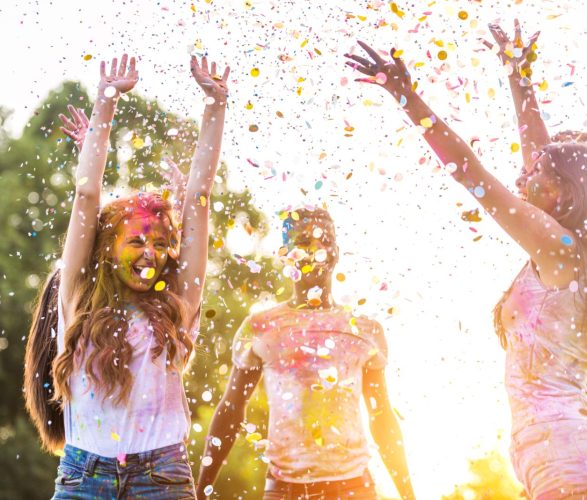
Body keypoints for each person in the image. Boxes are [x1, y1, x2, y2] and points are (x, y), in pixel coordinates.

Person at [345, 22, 587, 499]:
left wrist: (406, 97)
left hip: (564, 450)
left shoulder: (560, 251)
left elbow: (469, 172)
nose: (524, 175)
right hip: (550, 446)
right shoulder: (562, 249)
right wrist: (517, 75)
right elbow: (539, 151)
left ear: (561, 195)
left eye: (536, 173)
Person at [24, 51, 230, 499]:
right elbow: (86, 193)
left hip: (163, 477)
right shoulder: (76, 298)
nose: (150, 254)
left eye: (160, 244)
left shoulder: (180, 306)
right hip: (83, 478)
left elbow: (199, 197)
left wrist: (216, 106)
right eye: (137, 241)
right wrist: (107, 100)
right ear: (107, 250)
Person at [195, 207, 415, 499]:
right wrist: (199, 491)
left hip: (354, 489)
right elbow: (232, 409)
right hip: (284, 490)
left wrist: (408, 494)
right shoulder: (261, 327)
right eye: (304, 242)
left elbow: (381, 415)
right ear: (286, 254)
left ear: (335, 252)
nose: (316, 249)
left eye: (325, 241)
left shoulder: (364, 329)